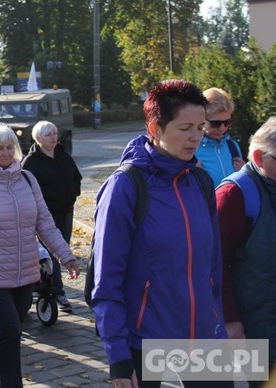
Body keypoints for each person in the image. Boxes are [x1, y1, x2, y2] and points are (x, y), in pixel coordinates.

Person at [91, 80, 228, 388]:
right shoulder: (125, 186)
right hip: (149, 344)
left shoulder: (202, 182)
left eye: (200, 127)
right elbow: (106, 280)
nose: (195, 137)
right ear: (154, 129)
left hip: (207, 341)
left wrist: (218, 321)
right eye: (185, 128)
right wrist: (119, 357)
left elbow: (213, 265)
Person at [0, 123, 78, 388]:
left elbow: (44, 222)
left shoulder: (28, 179)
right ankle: (11, 383)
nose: (6, 153)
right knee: (10, 329)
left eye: (9, 147)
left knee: (11, 331)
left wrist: (65, 256)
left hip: (25, 270)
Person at [217, 117, 276, 384]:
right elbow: (213, 262)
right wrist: (230, 319)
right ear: (258, 157)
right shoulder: (234, 194)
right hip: (255, 326)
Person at [22, 120, 82, 313]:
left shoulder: (63, 155)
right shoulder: (30, 163)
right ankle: (58, 291)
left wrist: (73, 195)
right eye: (49, 135)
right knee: (51, 253)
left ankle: (46, 286)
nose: (54, 137)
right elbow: (27, 190)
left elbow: (76, 177)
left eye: (55, 133)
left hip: (65, 211)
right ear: (38, 138)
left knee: (63, 247)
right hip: (44, 216)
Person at [196, 87, 245, 185]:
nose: (222, 128)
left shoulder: (232, 145)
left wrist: (245, 173)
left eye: (227, 122)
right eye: (216, 123)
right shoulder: (189, 148)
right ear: (201, 119)